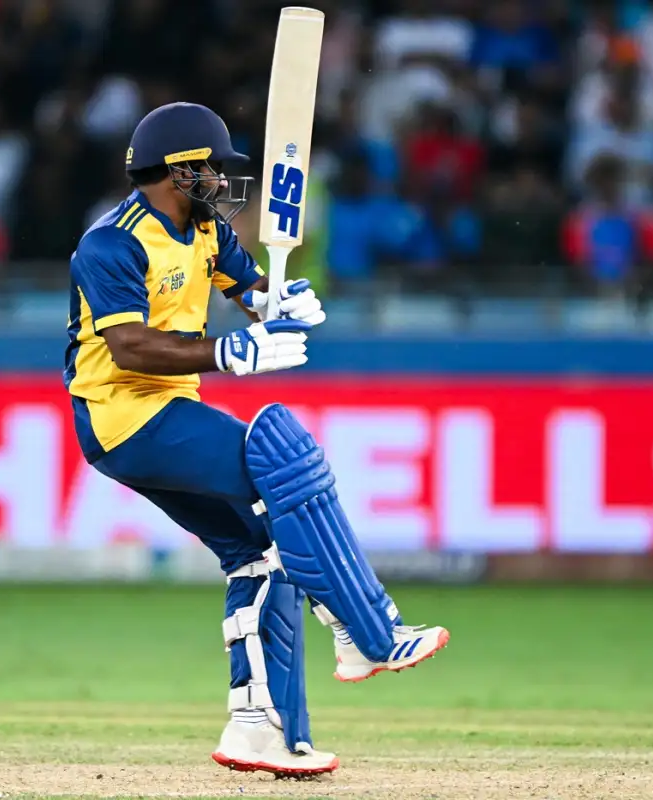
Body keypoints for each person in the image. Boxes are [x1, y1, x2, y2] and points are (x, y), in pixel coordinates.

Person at [64, 103, 450, 777]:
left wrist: (278, 301)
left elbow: (250, 289)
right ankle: (366, 627)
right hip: (121, 416)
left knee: (259, 555)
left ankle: (257, 728)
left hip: (166, 410)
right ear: (179, 170)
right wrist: (230, 351)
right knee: (285, 461)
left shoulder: (206, 229)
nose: (221, 180)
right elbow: (129, 347)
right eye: (211, 167)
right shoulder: (111, 244)